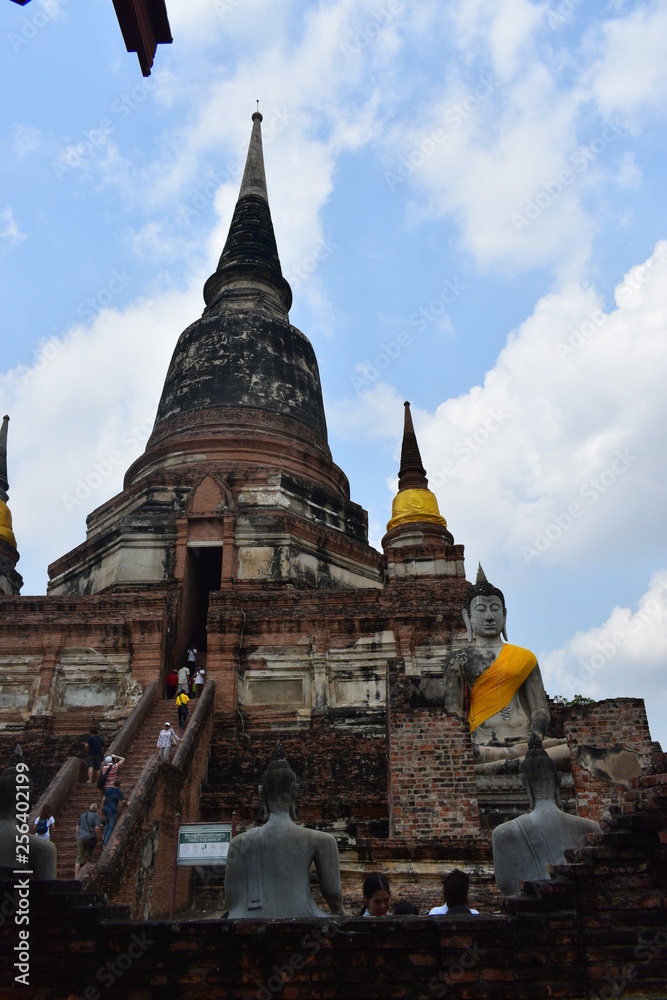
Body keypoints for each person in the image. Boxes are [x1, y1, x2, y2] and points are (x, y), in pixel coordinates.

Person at [447, 565, 568, 770]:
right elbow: (454, 715)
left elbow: (540, 709)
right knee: (461, 760)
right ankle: (515, 764)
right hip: (482, 744)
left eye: (494, 609)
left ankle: (515, 763)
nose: (489, 617)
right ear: (467, 617)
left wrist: (536, 735)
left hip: (528, 743)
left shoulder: (524, 657)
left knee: (571, 751)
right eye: (481, 610)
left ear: (504, 615)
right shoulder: (458, 659)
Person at [225, 742, 344, 918]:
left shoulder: (238, 844)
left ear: (261, 794)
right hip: (306, 920)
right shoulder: (322, 841)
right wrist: (339, 913)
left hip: (247, 926)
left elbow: (232, 899)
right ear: (295, 791)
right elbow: (332, 893)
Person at [492, 743, 601, 897]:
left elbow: (508, 887)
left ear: (525, 784)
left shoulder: (502, 834)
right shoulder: (592, 830)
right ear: (558, 781)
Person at [75, 802, 100, 876]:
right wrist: (96, 837)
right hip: (90, 838)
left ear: (90, 808)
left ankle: (76, 875)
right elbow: (97, 828)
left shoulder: (82, 815)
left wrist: (77, 837)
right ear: (96, 810)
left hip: (81, 838)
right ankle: (87, 875)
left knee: (78, 859)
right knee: (90, 857)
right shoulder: (95, 816)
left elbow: (77, 827)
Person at [101, 779, 128, 848]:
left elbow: (103, 800)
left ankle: (104, 836)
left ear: (113, 784)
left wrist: (101, 809)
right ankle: (105, 843)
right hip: (112, 811)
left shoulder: (108, 790)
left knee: (107, 823)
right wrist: (127, 804)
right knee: (111, 827)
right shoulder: (119, 792)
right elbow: (123, 802)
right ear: (119, 785)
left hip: (105, 809)